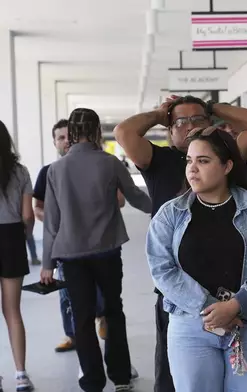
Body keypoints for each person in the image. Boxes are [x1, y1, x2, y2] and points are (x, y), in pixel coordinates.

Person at [114, 95, 247, 392]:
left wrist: (211, 110)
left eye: (199, 120)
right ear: (170, 131)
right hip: (180, 296)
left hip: (237, 295)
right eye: (180, 122)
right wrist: (161, 114)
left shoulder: (226, 157)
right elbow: (124, 132)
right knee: (176, 380)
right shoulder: (158, 159)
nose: (190, 126)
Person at [146, 126, 247, 391]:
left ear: (227, 165)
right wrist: (212, 308)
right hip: (191, 326)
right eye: (189, 160)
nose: (192, 168)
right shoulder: (170, 214)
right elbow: (162, 270)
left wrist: (235, 306)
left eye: (203, 161)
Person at [40, 108, 152, 392]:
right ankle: (121, 377)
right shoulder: (110, 162)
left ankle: (92, 381)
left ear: (73, 134)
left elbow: (52, 221)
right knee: (114, 311)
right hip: (106, 251)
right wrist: (164, 208)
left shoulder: (56, 169)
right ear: (96, 131)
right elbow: (136, 197)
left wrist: (47, 264)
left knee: (82, 317)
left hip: (71, 255)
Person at [32, 119, 109, 353]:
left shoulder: (95, 167)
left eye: (69, 137)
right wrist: (61, 222)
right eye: (60, 138)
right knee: (67, 295)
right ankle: (73, 336)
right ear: (54, 142)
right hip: (66, 246)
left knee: (101, 293)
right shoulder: (48, 172)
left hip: (98, 244)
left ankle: (103, 326)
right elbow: (38, 208)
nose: (65, 142)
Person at [0, 120, 35, 392]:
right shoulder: (20, 171)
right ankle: (21, 374)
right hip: (12, 238)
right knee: (13, 311)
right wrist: (24, 237)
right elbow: (27, 215)